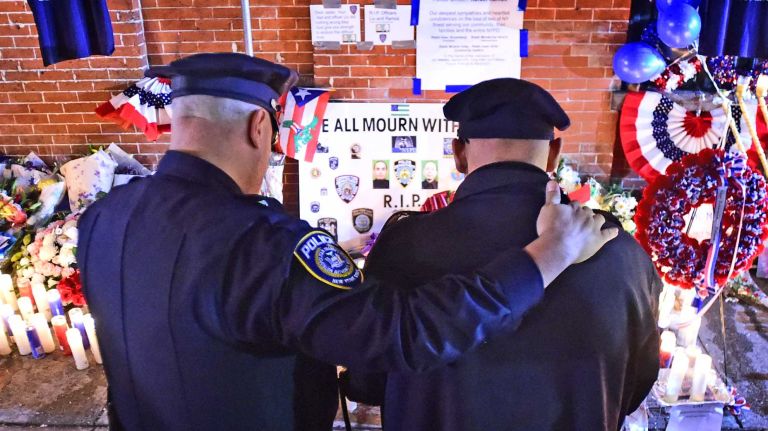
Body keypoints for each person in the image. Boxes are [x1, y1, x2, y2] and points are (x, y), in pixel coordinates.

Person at [77, 55, 617, 431]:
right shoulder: (269, 246)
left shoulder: (103, 218)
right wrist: (547, 256)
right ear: (259, 130)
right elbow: (405, 335)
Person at [342, 78, 662, 431]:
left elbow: (367, 379)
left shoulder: (403, 246)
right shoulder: (619, 250)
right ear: (553, 153)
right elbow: (635, 386)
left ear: (459, 153)